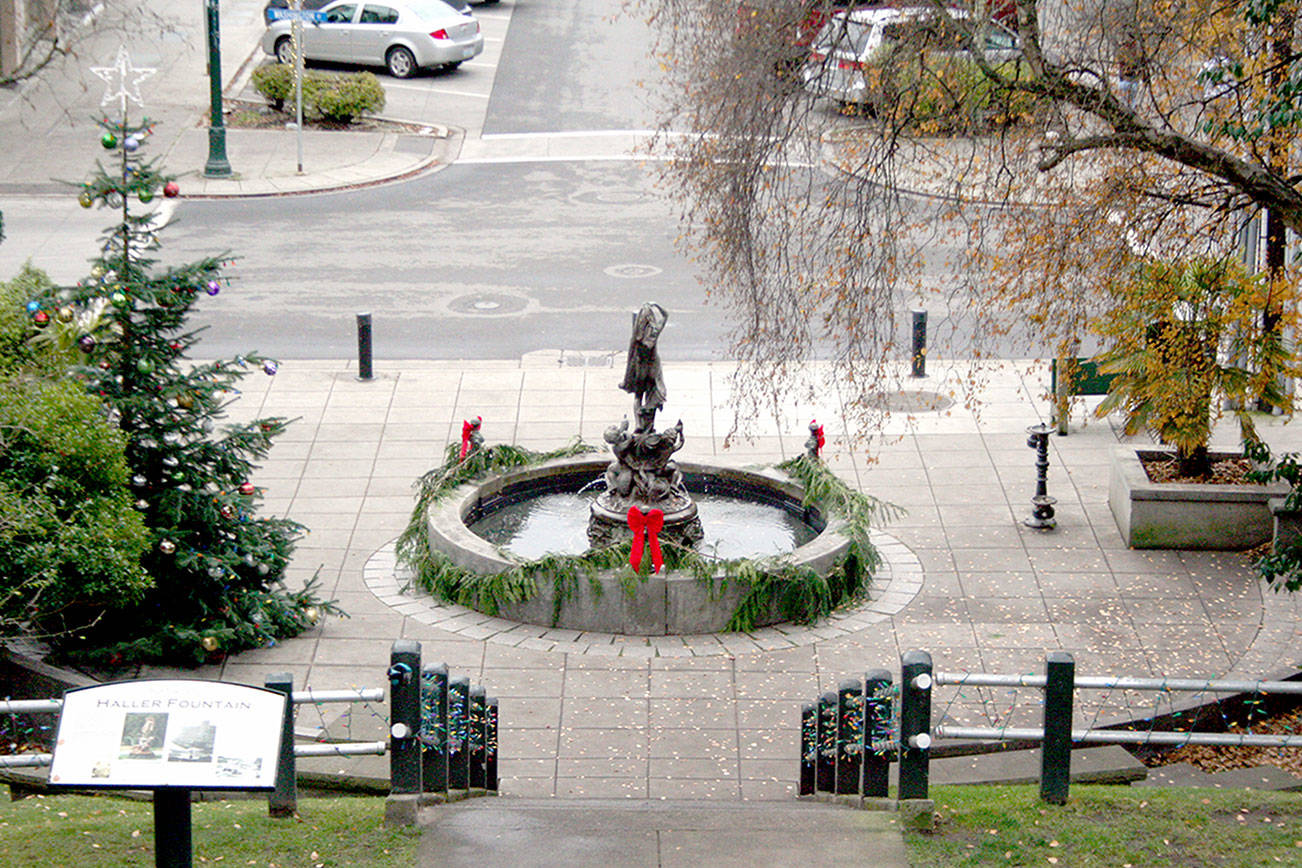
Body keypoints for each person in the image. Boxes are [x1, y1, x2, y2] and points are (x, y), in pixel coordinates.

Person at [619, 303, 669, 433]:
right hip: (652, 367)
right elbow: (665, 315)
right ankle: (649, 423)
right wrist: (656, 306)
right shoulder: (654, 331)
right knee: (652, 393)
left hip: (640, 368)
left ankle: (638, 424)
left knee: (638, 396)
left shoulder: (637, 335)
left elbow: (631, 354)